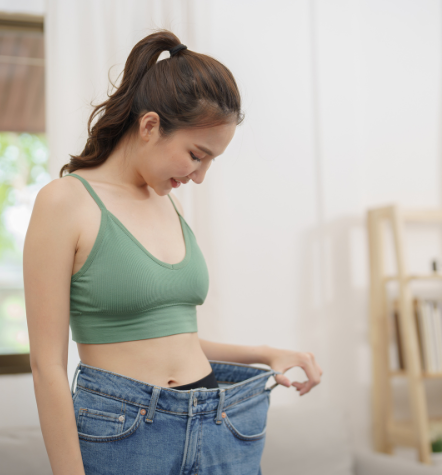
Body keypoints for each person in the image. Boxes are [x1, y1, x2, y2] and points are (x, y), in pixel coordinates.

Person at [23, 29, 322, 475]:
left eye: (211, 161)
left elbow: (169, 338)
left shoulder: (170, 203)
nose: (199, 176)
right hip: (128, 435)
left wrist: (264, 353)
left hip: (219, 422)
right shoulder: (65, 202)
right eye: (196, 155)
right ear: (150, 126)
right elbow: (47, 365)